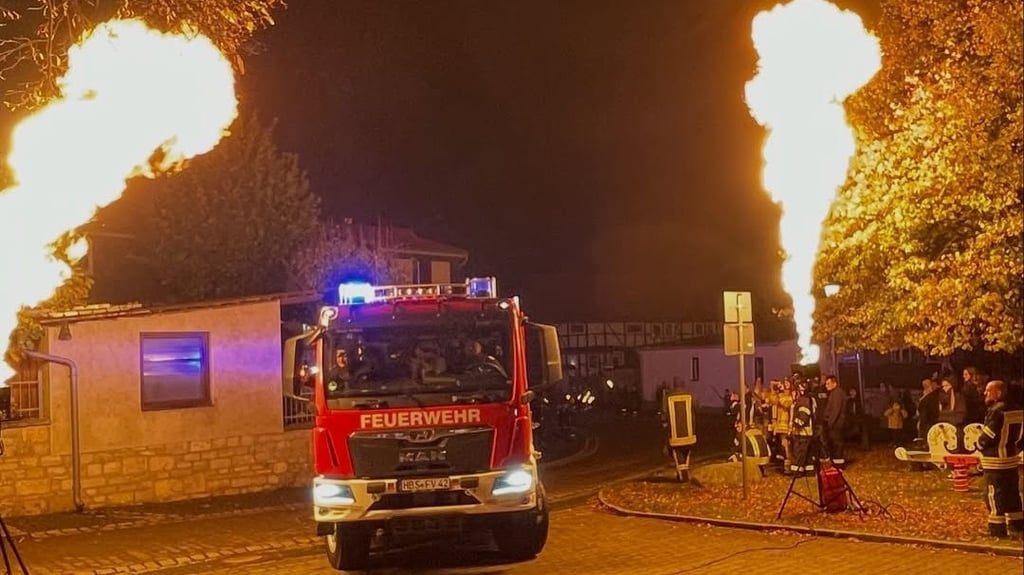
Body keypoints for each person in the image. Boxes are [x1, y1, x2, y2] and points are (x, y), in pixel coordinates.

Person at [975, 380, 1024, 538]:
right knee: (1012, 493)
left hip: (994, 460)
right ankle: (1017, 525)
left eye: (989, 391)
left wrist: (978, 445)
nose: (985, 393)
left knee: (994, 494)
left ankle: (997, 529)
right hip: (1011, 458)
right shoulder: (1018, 409)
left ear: (999, 392)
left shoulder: (997, 411)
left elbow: (987, 436)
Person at [821, 375, 848, 466]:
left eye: (828, 384)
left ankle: (839, 464)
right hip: (835, 423)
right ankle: (837, 463)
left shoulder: (837, 394)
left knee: (837, 444)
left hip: (836, 424)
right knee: (835, 443)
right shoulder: (835, 393)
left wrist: (830, 423)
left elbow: (836, 410)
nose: (826, 386)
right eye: (826, 384)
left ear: (835, 383)